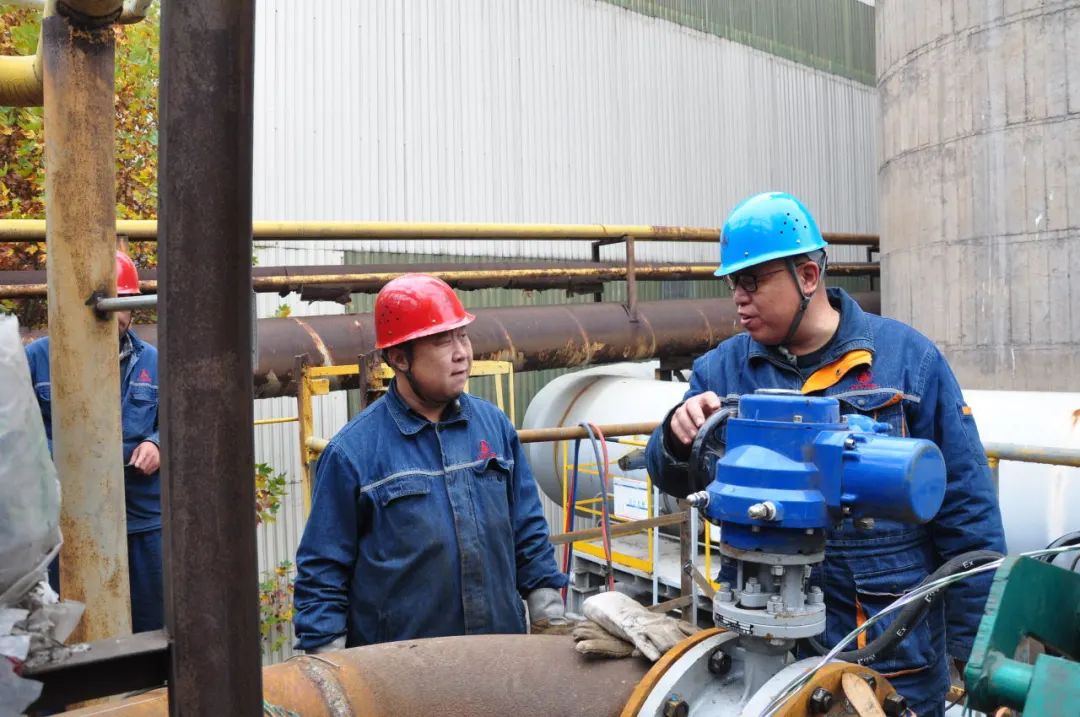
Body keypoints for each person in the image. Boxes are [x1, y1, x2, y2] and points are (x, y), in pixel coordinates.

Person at [645, 192, 1006, 716]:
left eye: (753, 281)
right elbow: (670, 475)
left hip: (886, 659)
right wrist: (676, 438)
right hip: (765, 648)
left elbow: (966, 511)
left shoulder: (907, 362)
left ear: (808, 276)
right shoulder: (721, 371)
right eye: (733, 284)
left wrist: (974, 656)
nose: (739, 298)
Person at [292, 273, 568, 653]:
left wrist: (549, 616)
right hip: (401, 671)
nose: (462, 353)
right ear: (399, 358)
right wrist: (329, 662)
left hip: (499, 655)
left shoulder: (494, 427)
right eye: (442, 341)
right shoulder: (352, 453)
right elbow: (323, 571)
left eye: (463, 336)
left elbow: (528, 530)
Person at [25, 250, 163, 633]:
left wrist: (157, 444)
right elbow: (15, 434)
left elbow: (178, 422)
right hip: (65, 526)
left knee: (152, 629)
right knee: (71, 631)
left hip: (140, 522)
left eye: (122, 305)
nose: (112, 317)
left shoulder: (152, 362)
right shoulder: (35, 360)